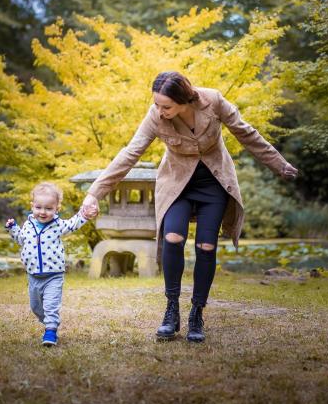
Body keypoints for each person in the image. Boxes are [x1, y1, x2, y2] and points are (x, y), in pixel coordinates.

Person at [82, 72, 297, 343]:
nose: (160, 111)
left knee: (206, 246)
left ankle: (197, 312)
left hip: (213, 183)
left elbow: (245, 132)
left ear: (184, 100)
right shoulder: (155, 116)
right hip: (177, 183)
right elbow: (130, 153)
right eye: (157, 105)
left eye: (166, 106)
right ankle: (171, 310)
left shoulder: (213, 101)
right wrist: (94, 193)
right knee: (173, 238)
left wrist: (279, 164)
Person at [6, 182, 95, 346]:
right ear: (32, 206)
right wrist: (13, 229)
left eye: (48, 208)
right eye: (39, 207)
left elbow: (73, 224)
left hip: (53, 275)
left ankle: (51, 330)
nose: (43, 212)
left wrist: (84, 215)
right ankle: (47, 321)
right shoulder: (28, 225)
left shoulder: (57, 225)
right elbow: (21, 240)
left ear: (56, 208)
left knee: (50, 305)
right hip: (33, 275)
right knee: (35, 307)